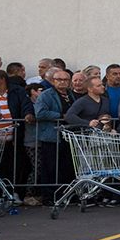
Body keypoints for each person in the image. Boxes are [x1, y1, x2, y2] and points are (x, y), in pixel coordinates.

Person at [0, 69, 35, 201]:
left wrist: (28, 114)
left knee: (19, 166)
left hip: (14, 138)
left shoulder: (17, 91)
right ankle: (1, 194)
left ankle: (16, 193)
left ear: (2, 79)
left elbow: (26, 105)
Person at [34, 69, 74, 202]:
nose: (62, 82)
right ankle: (49, 196)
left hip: (68, 136)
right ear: (53, 81)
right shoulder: (46, 95)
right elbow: (40, 113)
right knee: (50, 168)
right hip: (51, 136)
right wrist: (61, 116)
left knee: (66, 166)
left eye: (65, 80)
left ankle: (65, 195)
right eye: (59, 80)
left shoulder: (71, 94)